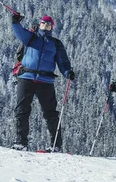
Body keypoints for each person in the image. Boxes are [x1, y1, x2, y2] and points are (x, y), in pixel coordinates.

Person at [10, 13, 75, 152]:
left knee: (50, 113)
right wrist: (15, 21)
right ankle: (21, 142)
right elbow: (19, 32)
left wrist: (67, 72)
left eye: (48, 24)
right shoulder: (31, 37)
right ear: (39, 24)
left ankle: (55, 145)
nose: (45, 26)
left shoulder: (56, 44)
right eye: (43, 23)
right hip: (27, 77)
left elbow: (62, 62)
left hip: (45, 80)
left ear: (52, 27)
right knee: (22, 110)